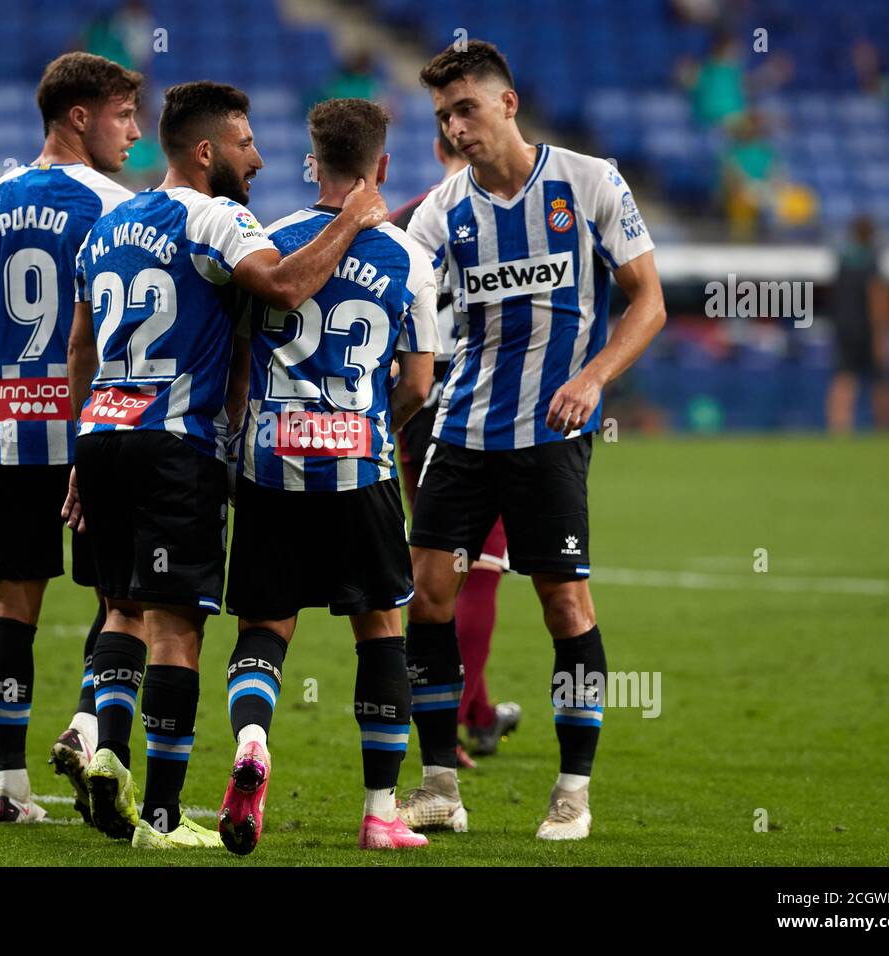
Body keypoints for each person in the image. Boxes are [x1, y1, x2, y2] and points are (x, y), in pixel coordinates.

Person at [63, 80, 388, 850]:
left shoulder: (107, 225)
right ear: (206, 151)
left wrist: (81, 449)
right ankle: (166, 821)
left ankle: (109, 751)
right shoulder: (218, 216)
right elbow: (280, 284)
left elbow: (80, 347)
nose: (261, 157)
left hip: (103, 431)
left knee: (119, 610)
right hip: (176, 444)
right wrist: (351, 218)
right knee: (177, 629)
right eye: (246, 144)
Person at [399, 41, 666, 841]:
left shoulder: (589, 182)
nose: (455, 127)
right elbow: (404, 309)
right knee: (430, 596)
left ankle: (573, 791)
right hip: (462, 430)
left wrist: (592, 379)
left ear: (508, 104)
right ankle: (440, 782)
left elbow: (647, 301)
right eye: (445, 115)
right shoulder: (440, 212)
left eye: (466, 109)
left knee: (564, 602)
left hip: (550, 435)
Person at [217, 98, 440, 854]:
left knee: (263, 629)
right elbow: (417, 384)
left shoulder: (266, 244)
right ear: (380, 168)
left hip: (271, 465)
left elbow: (236, 363)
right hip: (361, 469)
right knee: (379, 631)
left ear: (313, 162)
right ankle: (380, 814)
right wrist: (377, 428)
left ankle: (252, 742)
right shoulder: (410, 259)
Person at [0, 52, 143, 824]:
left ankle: (9, 789)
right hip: (91, 438)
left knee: (13, 607)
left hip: (14, 436)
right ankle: (87, 727)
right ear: (78, 117)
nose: (135, 132)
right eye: (123, 115)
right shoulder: (115, 207)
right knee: (122, 602)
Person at [391, 123, 521, 767]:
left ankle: (471, 711)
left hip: (416, 403)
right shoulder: (498, 217)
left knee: (443, 566)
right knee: (479, 566)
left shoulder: (401, 222)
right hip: (479, 399)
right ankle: (455, 717)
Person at [825, 215, 889, 434]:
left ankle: (839, 430)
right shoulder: (871, 262)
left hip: (845, 328)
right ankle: (885, 430)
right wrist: (883, 335)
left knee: (844, 378)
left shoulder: (842, 261)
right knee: (881, 381)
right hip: (868, 329)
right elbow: (878, 298)